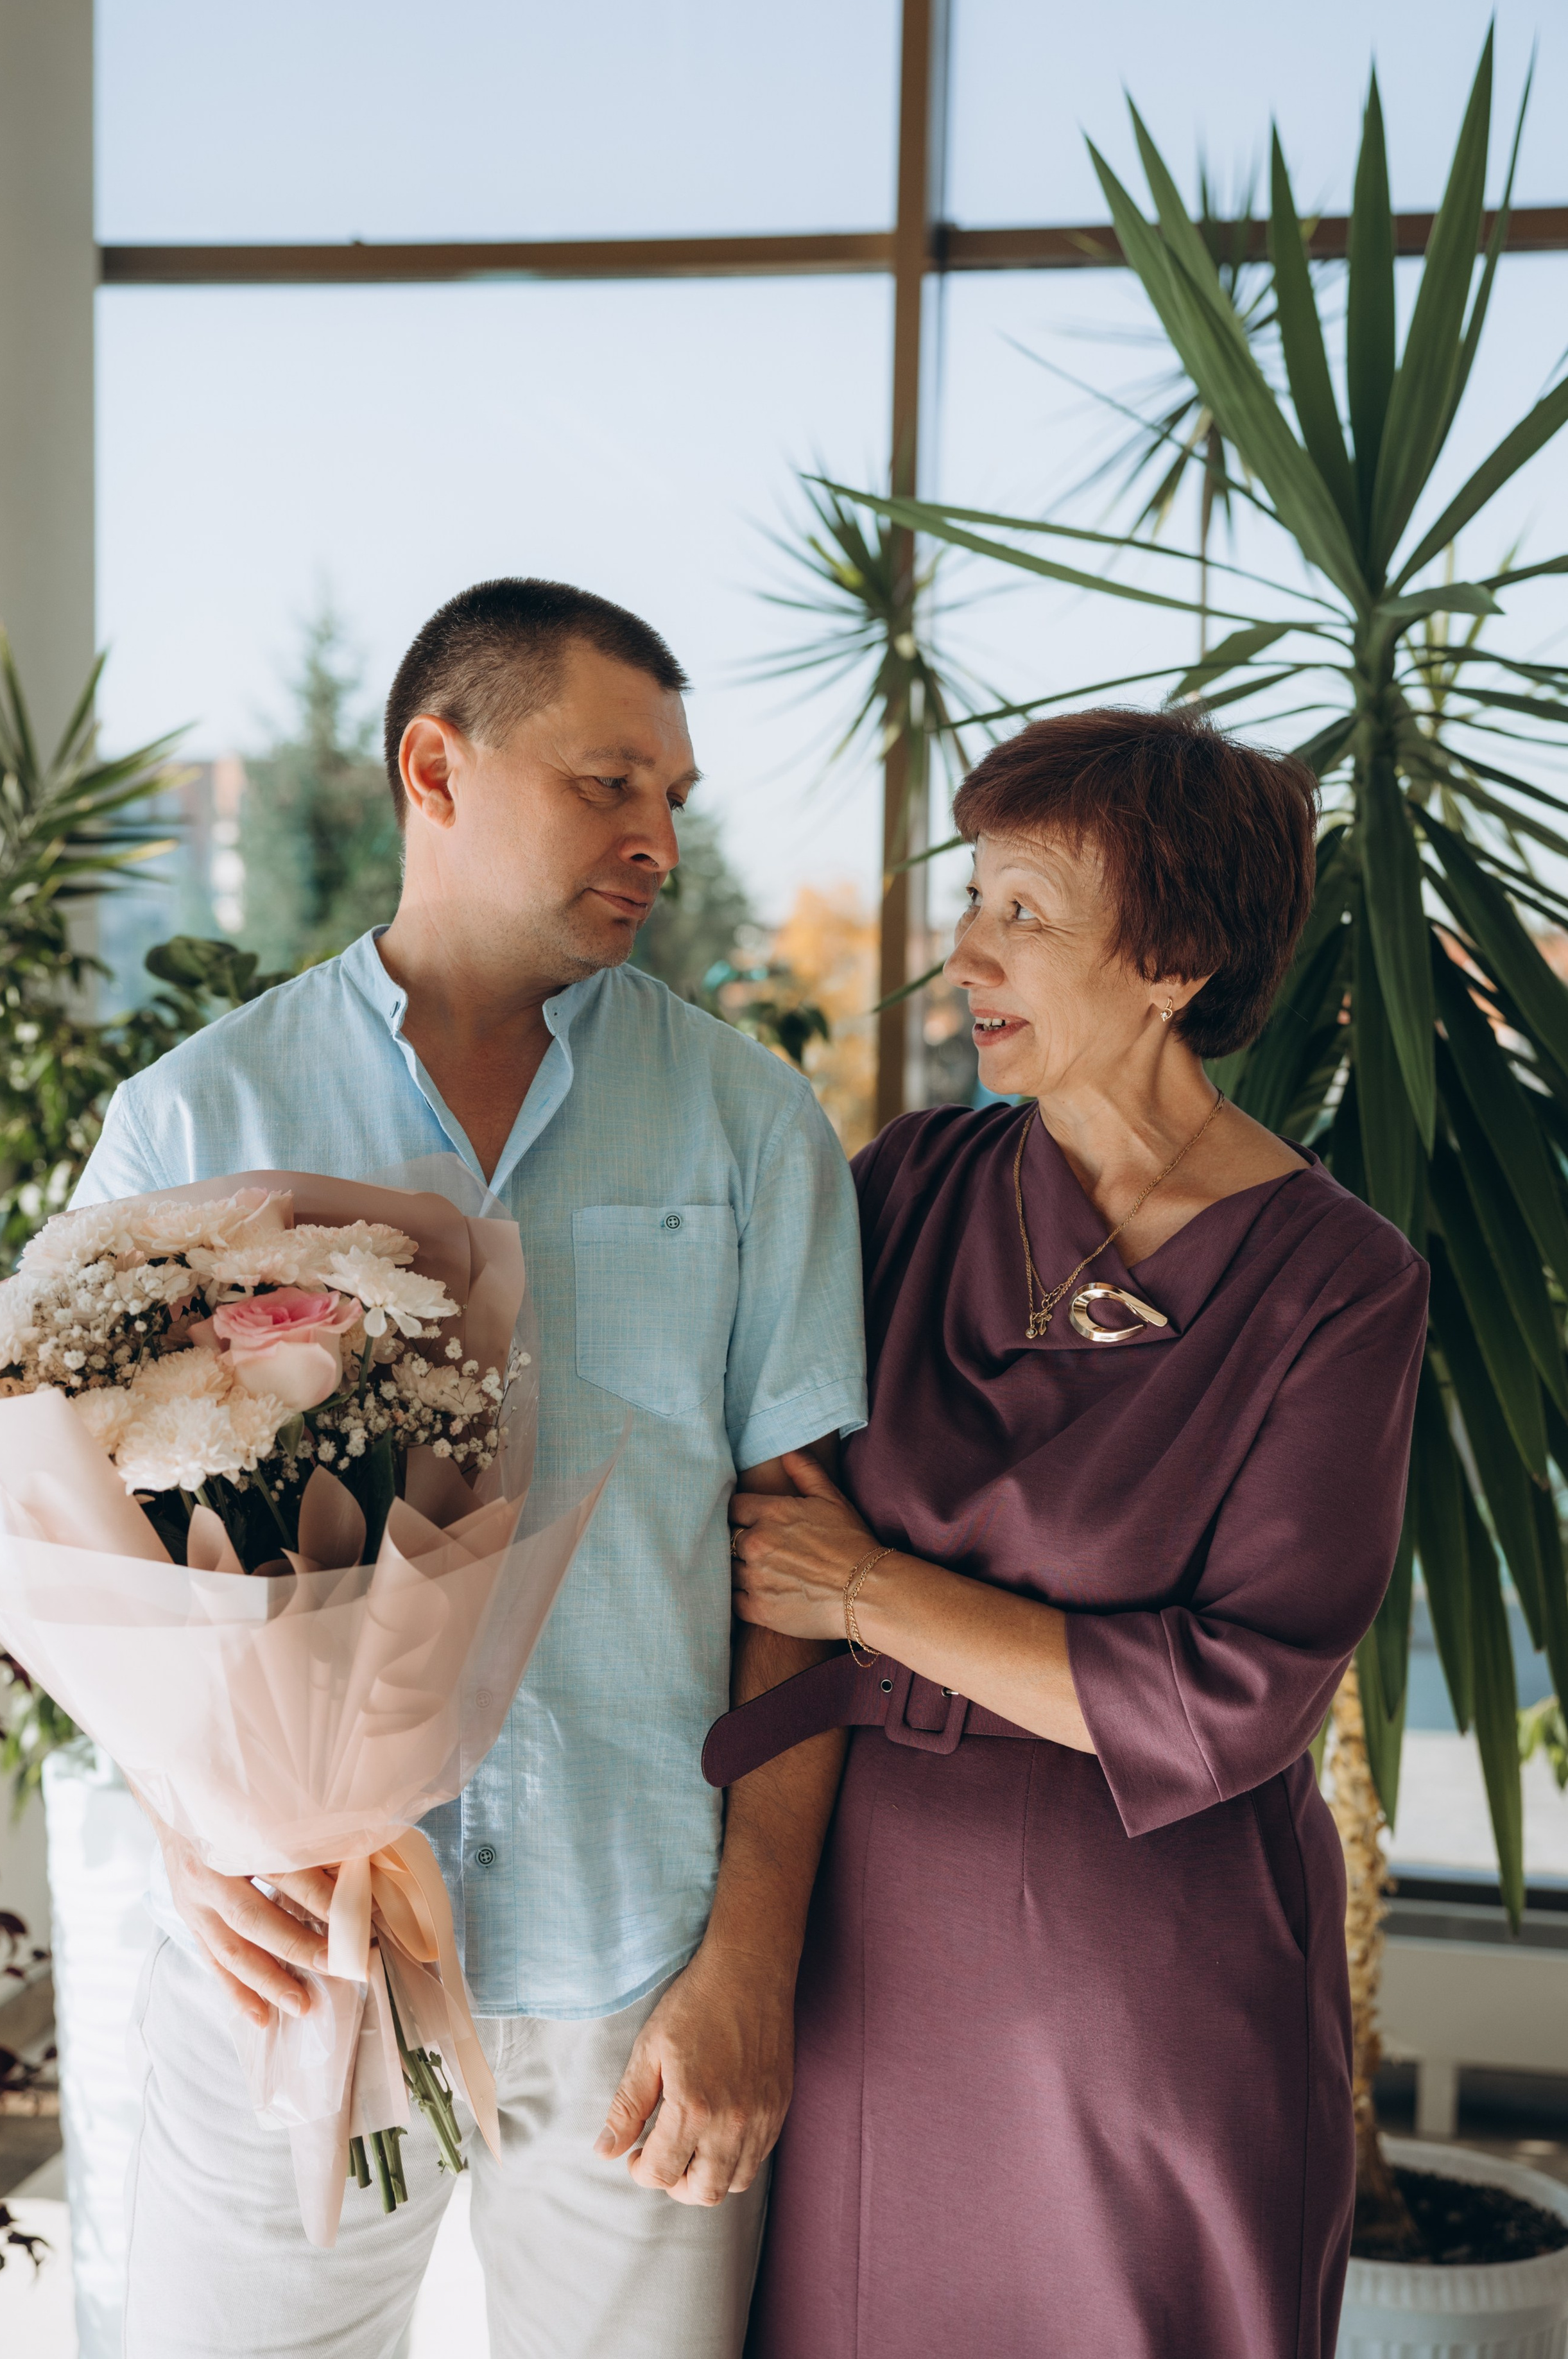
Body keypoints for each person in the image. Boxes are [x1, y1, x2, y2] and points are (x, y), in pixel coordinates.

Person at [74, 578, 865, 2359]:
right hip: (290, 1952)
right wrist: (191, 1838)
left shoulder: (755, 1126)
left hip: (637, 1970)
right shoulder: (196, 1124)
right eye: (610, 784)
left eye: (676, 798)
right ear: (437, 765)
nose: (657, 835)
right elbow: (99, 1546)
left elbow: (808, 1569)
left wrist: (750, 1960)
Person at [718, 704, 1430, 2359]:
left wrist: (874, 1593)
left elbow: (1232, 1703)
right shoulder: (905, 1187)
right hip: (859, 1964)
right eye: (972, 899)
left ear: (1174, 961)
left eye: (1023, 912)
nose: (968, 949)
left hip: (1145, 2001)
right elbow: (770, 1532)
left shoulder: (1339, 1282)